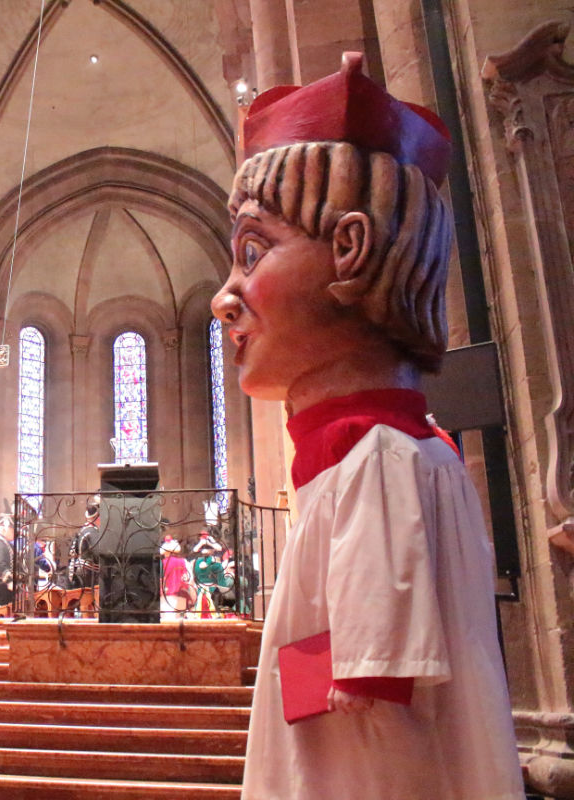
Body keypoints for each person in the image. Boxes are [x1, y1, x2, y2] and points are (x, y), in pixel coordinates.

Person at [210, 52, 523, 799]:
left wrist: (302, 667)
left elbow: (382, 722)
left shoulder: (378, 458)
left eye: (253, 252)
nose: (226, 298)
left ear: (349, 247)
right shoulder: (376, 454)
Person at [67, 495, 99, 590]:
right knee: (89, 601)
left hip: (79, 570)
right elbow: (98, 552)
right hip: (89, 572)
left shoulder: (82, 530)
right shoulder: (92, 531)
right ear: (97, 517)